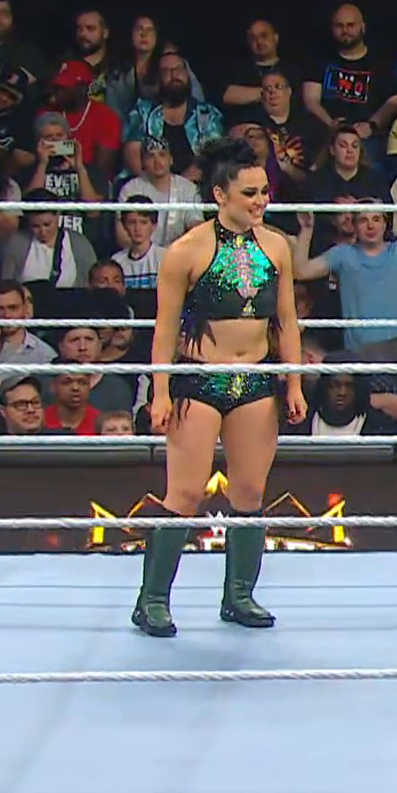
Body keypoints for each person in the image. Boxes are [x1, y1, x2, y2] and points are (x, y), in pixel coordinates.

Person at [135, 136, 307, 638]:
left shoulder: (276, 246)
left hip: (256, 377)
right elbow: (164, 330)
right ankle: (151, 601)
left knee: (250, 491)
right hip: (198, 377)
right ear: (220, 195)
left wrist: (294, 383)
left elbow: (287, 322)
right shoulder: (185, 251)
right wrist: (160, 391)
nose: (260, 201)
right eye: (250, 193)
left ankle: (239, 596)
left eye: (264, 192)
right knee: (185, 492)